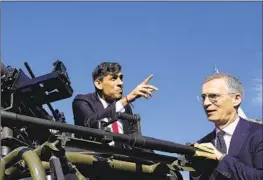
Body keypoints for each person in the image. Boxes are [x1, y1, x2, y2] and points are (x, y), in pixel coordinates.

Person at [189, 73, 263, 180]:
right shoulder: (202, 144)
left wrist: (221, 158)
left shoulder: (258, 133)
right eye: (203, 97)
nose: (206, 103)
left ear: (236, 99)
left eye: (213, 96)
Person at [72, 62, 157, 141]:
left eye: (121, 78)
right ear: (98, 84)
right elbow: (89, 123)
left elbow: (135, 139)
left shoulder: (125, 107)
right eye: (113, 78)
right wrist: (126, 100)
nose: (120, 83)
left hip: (123, 155)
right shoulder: (82, 101)